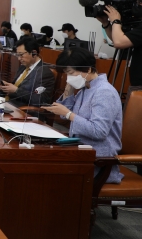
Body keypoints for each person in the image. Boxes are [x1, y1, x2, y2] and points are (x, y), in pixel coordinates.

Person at [42, 47, 123, 183]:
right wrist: (69, 89)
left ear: (88, 70)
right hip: (80, 152)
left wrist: (69, 114)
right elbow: (63, 116)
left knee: (46, 172)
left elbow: (99, 131)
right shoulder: (86, 87)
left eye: (71, 73)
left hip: (98, 161)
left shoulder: (104, 92)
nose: (69, 78)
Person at [97, 0, 142, 98]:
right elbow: (118, 39)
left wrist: (116, 20)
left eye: (137, 2)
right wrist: (106, 23)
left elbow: (119, 42)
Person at [0, 36, 55, 107]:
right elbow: (14, 88)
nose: (19, 58)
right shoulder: (23, 67)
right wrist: (5, 87)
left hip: (23, 110)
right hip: (8, 104)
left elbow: (41, 100)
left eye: (21, 55)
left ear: (34, 53)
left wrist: (16, 91)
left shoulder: (44, 73)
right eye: (17, 55)